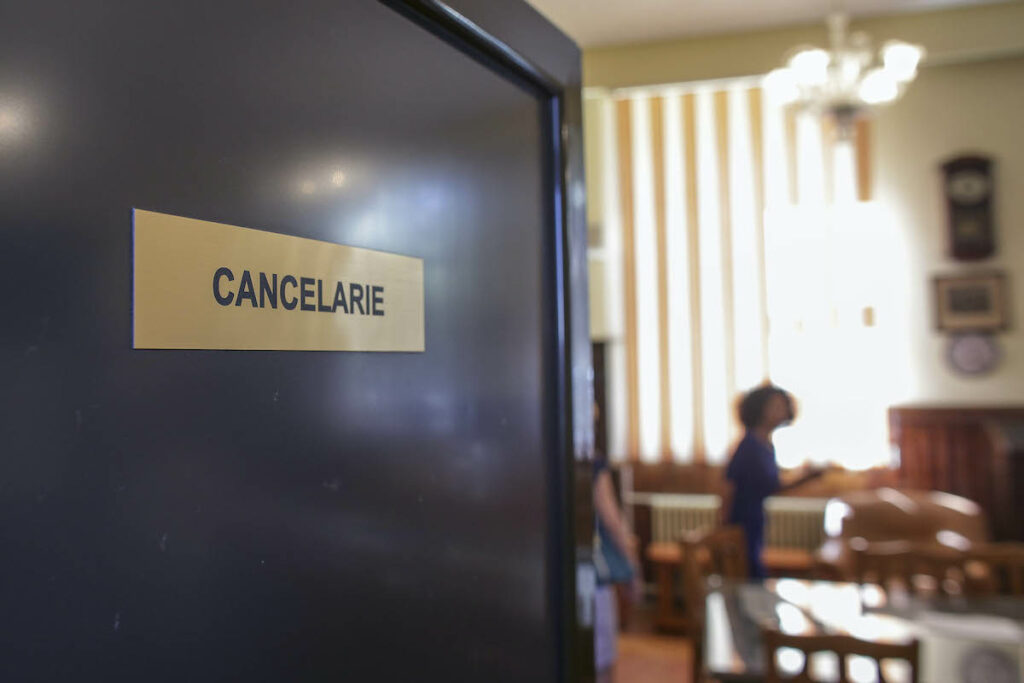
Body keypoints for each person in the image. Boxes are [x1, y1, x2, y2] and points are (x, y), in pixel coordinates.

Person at [720, 385, 823, 579]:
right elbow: (729, 488)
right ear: (759, 409)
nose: (781, 411)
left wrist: (805, 478)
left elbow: (771, 486)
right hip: (741, 522)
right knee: (748, 574)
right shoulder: (749, 446)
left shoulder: (765, 444)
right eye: (775, 406)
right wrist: (724, 529)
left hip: (755, 519)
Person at [593, 453, 643, 683]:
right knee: (601, 661)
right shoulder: (592, 460)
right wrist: (633, 566)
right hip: (592, 575)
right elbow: (611, 518)